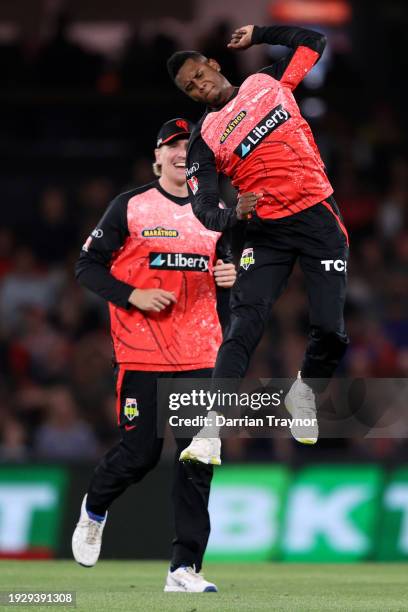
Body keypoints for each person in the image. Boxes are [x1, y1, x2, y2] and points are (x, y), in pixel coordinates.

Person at [167, 24, 349, 460]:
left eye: (199, 74)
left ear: (213, 64)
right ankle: (209, 429)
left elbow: (314, 43)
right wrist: (234, 214)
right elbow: (204, 209)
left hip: (317, 218)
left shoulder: (267, 82)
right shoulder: (203, 140)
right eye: (190, 87)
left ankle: (305, 390)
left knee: (331, 330)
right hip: (264, 232)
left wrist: (261, 34)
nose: (199, 86)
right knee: (244, 324)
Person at [71, 118, 237, 593]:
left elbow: (230, 271)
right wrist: (131, 295)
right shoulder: (131, 206)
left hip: (201, 352)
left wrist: (232, 278)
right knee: (140, 455)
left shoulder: (217, 212)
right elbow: (87, 266)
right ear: (157, 158)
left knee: (197, 460)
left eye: (190, 145)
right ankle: (94, 509)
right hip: (142, 353)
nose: (183, 152)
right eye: (174, 146)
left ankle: (183, 569)